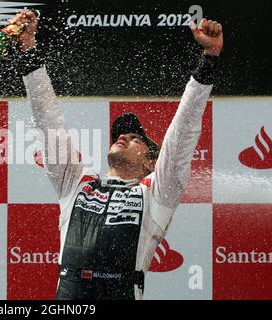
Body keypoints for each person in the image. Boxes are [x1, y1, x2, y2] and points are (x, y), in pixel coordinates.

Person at [12, 10, 223, 300]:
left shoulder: (157, 193)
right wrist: (27, 48)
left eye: (136, 138)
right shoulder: (76, 182)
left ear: (151, 163)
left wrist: (209, 58)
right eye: (122, 136)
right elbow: (47, 118)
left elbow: (184, 129)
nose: (123, 137)